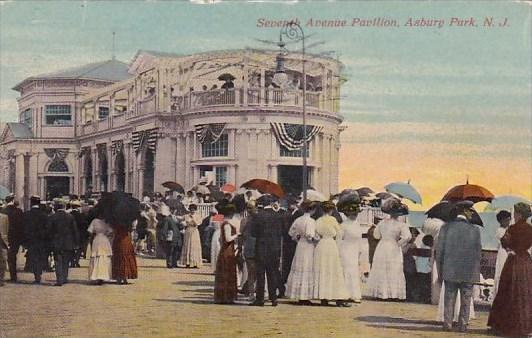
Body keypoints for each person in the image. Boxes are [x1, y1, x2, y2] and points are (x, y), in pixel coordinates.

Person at [435, 200, 481, 332]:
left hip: (450, 269)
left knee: (449, 297)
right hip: (468, 270)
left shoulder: (446, 228)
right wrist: (475, 271)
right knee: (466, 298)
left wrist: (439, 271)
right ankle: (463, 324)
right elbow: (478, 253)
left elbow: (440, 252)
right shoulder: (475, 230)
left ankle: (447, 323)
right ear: (467, 212)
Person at [488, 202, 532, 337]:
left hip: (513, 261)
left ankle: (504, 325)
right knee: (525, 293)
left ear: (518, 214)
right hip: (525, 261)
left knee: (507, 291)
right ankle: (525, 326)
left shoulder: (512, 228)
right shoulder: (530, 229)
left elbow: (505, 242)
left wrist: (509, 247)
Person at [367, 198, 411, 300]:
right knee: (394, 269)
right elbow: (407, 237)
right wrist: (398, 243)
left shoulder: (382, 223)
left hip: (382, 246)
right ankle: (394, 294)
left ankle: (381, 293)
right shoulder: (401, 225)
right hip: (393, 246)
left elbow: (376, 235)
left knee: (382, 268)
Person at [313, 200, 351, 307]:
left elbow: (315, 235)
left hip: (321, 246)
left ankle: (324, 298)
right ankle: (338, 297)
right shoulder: (333, 220)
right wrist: (338, 246)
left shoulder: (318, 220)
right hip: (331, 245)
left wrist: (318, 241)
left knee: (323, 270)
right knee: (334, 270)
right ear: (331, 210)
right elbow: (339, 234)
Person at [249, 195, 284, 307]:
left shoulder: (258, 216)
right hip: (274, 248)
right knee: (272, 273)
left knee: (260, 275)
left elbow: (253, 233)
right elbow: (281, 232)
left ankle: (260, 299)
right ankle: (273, 298)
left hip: (261, 248)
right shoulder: (277, 216)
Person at [285, 200, 318, 305]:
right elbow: (309, 235)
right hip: (308, 246)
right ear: (312, 210)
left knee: (299, 267)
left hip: (300, 246)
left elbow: (291, 232)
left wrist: (297, 238)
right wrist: (316, 240)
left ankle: (298, 295)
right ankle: (304, 296)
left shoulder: (298, 219)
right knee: (306, 267)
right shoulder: (310, 221)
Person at [48, 200, 80, 286]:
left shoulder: (52, 217)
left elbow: (49, 231)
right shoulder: (70, 217)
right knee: (66, 261)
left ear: (56, 207)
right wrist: (76, 243)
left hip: (56, 243)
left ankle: (59, 280)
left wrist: (50, 241)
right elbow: (75, 231)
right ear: (64, 207)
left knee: (58, 261)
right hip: (68, 243)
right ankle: (64, 278)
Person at [338, 201, 363, 303]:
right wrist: (339, 252)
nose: (355, 216)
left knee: (354, 271)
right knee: (347, 270)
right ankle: (345, 294)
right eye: (353, 214)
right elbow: (339, 239)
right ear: (348, 213)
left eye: (356, 214)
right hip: (346, 249)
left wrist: (360, 251)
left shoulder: (357, 224)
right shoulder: (343, 225)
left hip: (355, 249)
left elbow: (360, 239)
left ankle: (354, 294)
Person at [214, 203, 239, 304]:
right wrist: (237, 235)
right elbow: (228, 238)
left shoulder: (224, 223)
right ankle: (226, 297)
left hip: (226, 249)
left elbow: (220, 239)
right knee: (227, 272)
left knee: (226, 272)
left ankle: (226, 296)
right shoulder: (227, 224)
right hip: (227, 250)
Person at [23, 196, 49, 283]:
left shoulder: (27, 214)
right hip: (41, 240)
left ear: (31, 203)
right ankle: (39, 273)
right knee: (40, 256)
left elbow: (24, 228)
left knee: (33, 257)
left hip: (31, 240)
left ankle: (36, 274)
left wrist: (24, 241)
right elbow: (47, 229)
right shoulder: (44, 215)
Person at [281, 196, 303, 295]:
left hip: (294, 242)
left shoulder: (299, 214)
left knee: (290, 263)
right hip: (287, 242)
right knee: (287, 264)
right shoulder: (287, 214)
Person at [87, 208, 113, 285]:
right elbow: (111, 232)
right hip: (104, 240)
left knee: (96, 256)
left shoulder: (94, 221)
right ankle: (103, 275)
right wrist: (106, 235)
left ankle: (96, 275)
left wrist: (93, 236)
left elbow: (89, 231)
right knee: (104, 257)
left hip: (97, 239)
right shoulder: (107, 221)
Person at [2, 195, 25, 283]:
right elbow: (22, 226)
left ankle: (5, 275)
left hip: (6, 237)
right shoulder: (19, 211)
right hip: (16, 238)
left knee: (5, 257)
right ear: (12, 200)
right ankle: (13, 276)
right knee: (13, 256)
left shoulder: (3, 211)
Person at [239, 202, 257, 299]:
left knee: (254, 271)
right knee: (251, 271)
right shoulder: (245, 220)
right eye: (249, 208)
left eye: (252, 208)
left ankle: (249, 289)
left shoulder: (258, 220)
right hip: (249, 247)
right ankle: (250, 291)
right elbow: (241, 235)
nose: (250, 210)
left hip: (255, 247)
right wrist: (240, 248)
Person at [492, 210, 511, 298]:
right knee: (501, 273)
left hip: (506, 254)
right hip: (503, 254)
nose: (508, 222)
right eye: (506, 220)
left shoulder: (506, 230)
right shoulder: (500, 230)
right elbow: (506, 241)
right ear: (501, 221)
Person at [70, 200, 88, 267]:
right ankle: (76, 261)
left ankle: (72, 261)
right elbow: (84, 225)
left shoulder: (69, 214)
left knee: (71, 249)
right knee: (79, 248)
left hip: (71, 234)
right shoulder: (81, 215)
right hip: (80, 234)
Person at [0, 211, 8, 286]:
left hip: (2, 242)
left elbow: (7, 230)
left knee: (2, 261)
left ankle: (1, 279)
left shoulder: (4, 217)